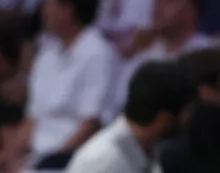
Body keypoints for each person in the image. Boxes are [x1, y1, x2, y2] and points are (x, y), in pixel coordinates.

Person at [65, 61, 195, 173]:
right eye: (186, 112)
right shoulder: (103, 161)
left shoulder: (147, 151)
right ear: (162, 119)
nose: (188, 119)